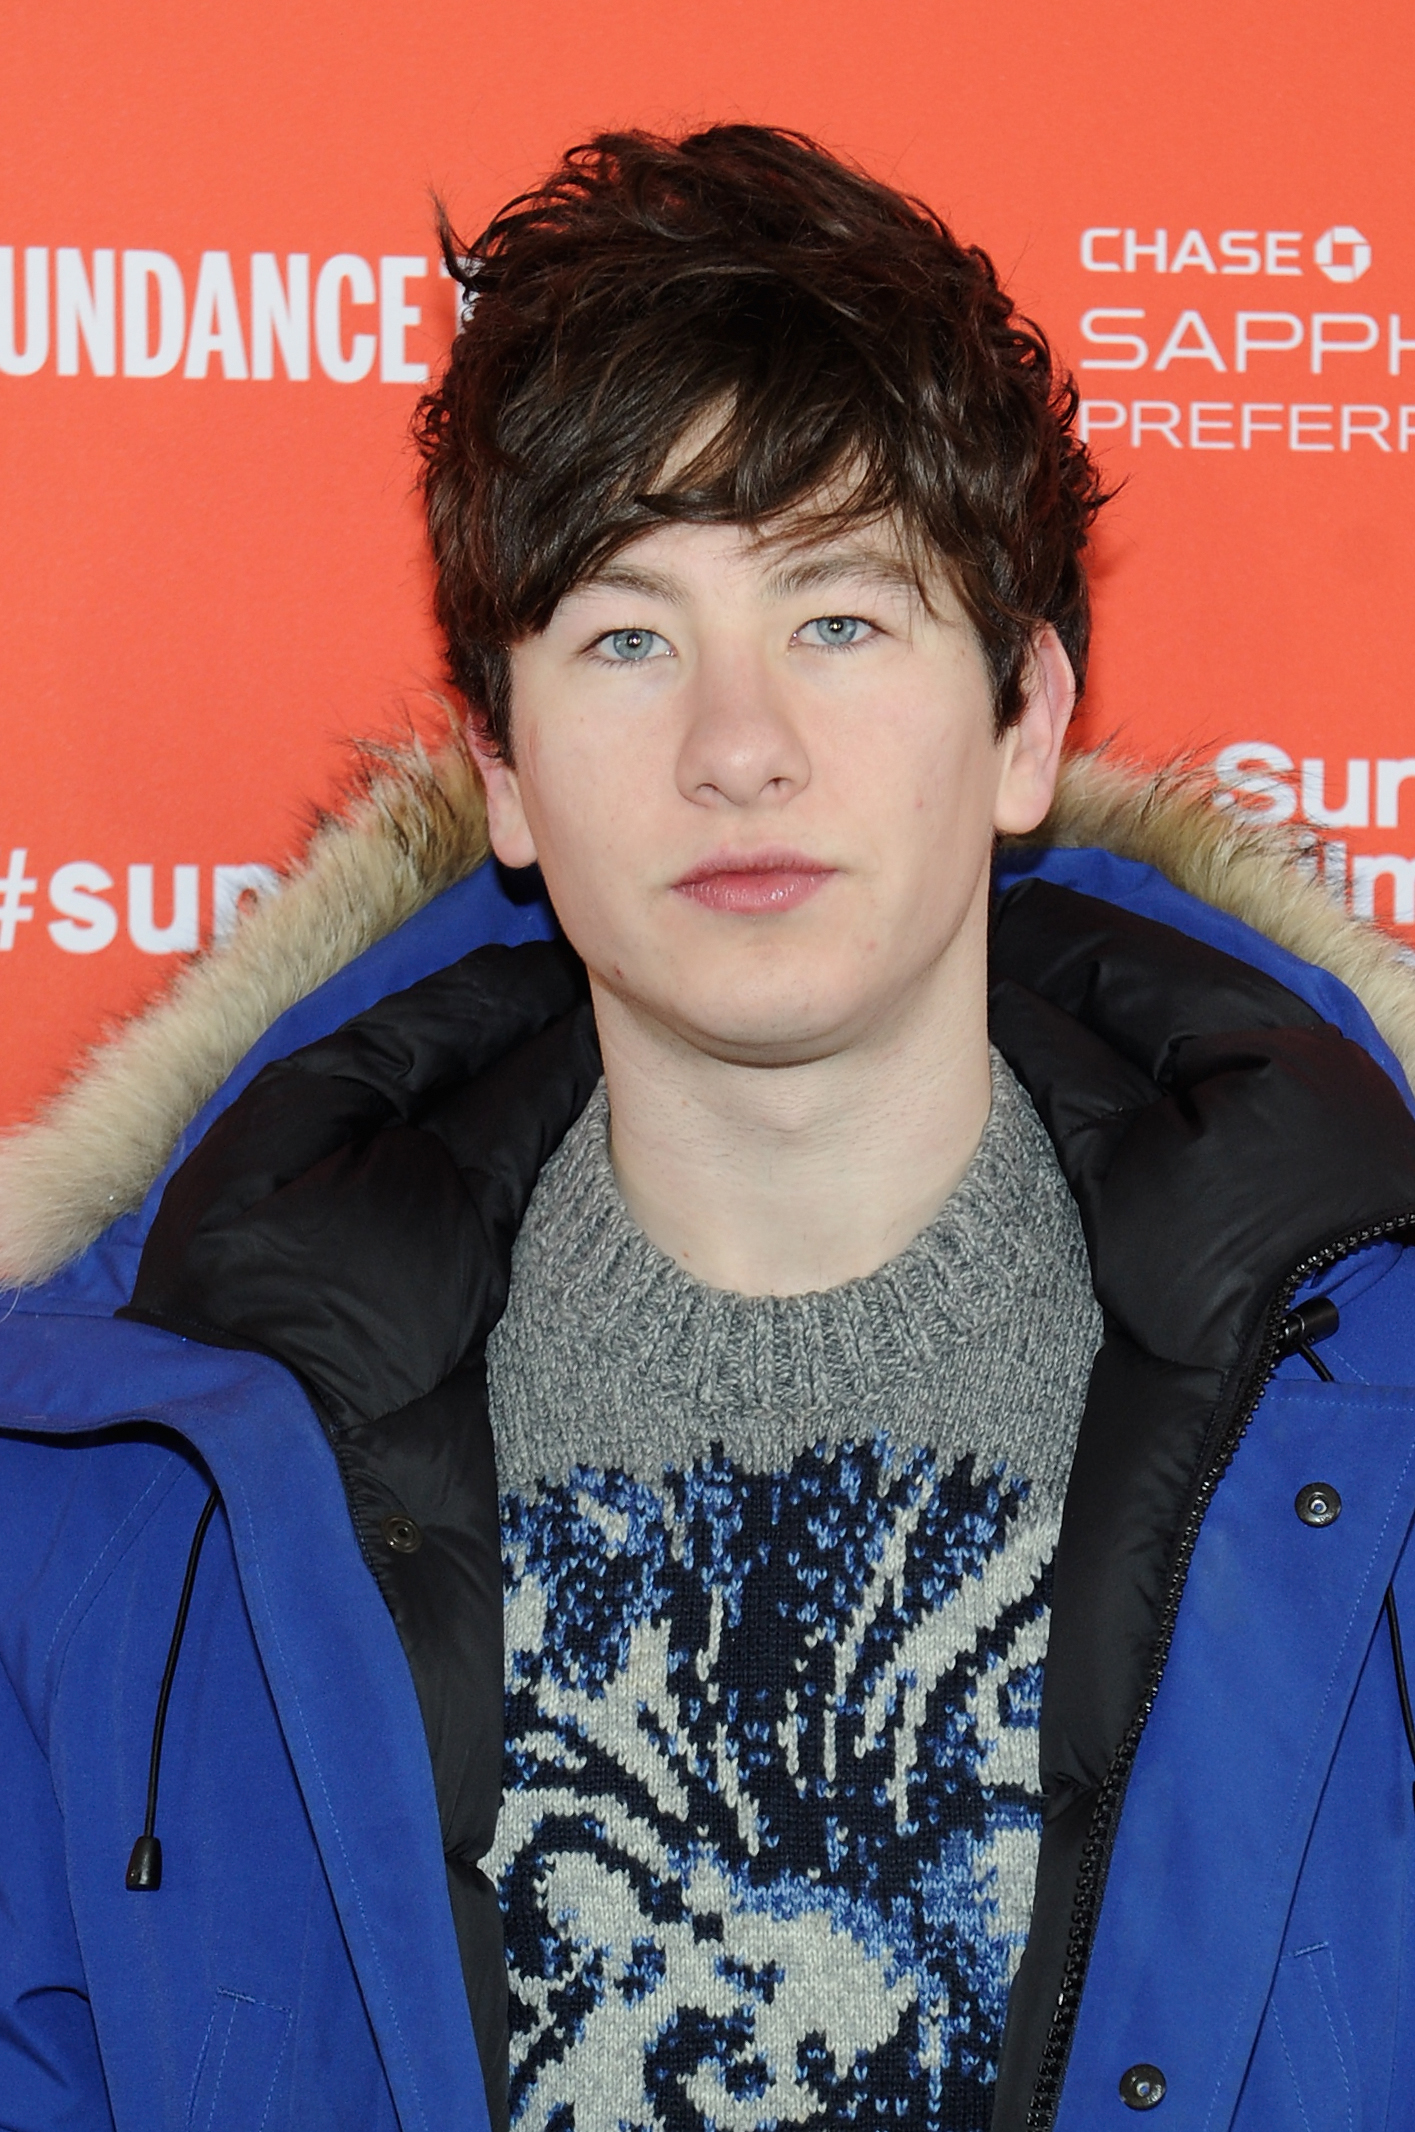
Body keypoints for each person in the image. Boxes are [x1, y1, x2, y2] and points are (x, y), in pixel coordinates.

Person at [2, 124, 1414, 2132]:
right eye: (628, 637)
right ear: (500, 762)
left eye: (839, 619)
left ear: (1023, 720)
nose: (735, 745)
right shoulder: (115, 1485)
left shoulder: (1383, 1416)